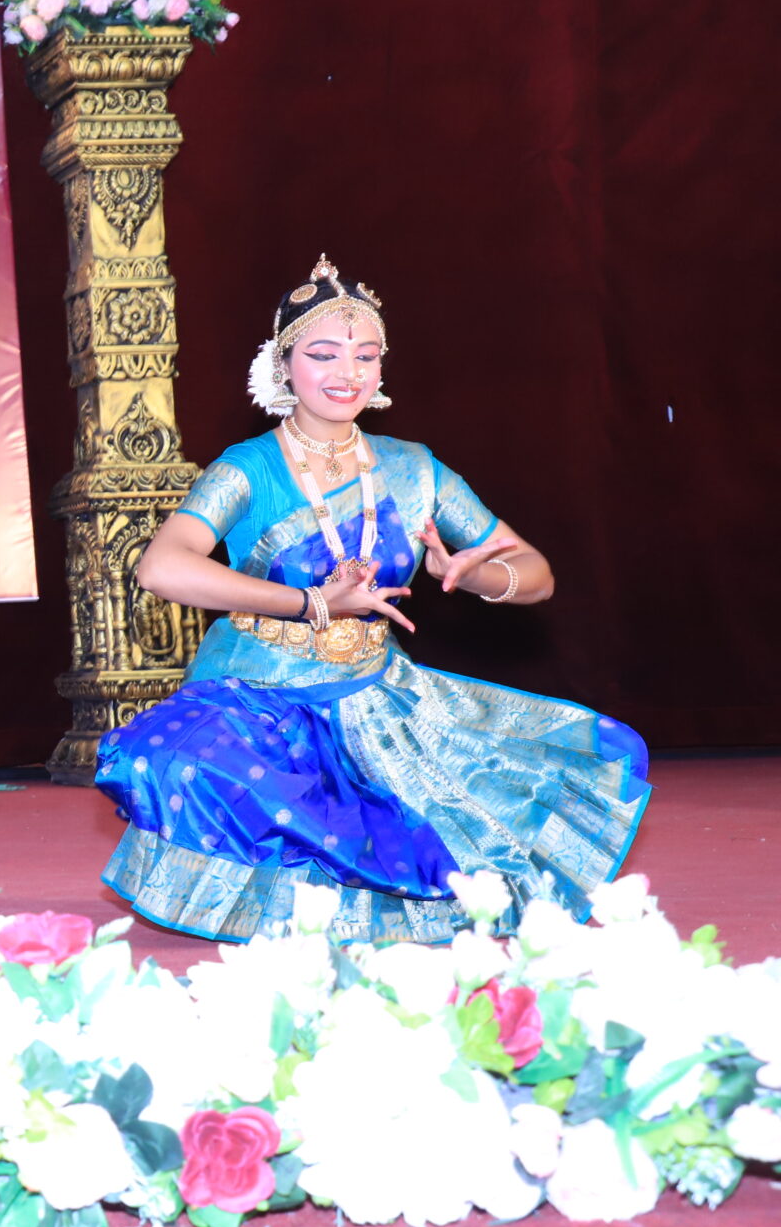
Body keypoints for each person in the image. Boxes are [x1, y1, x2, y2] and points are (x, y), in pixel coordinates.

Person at [95, 257, 648, 942]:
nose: (347, 372)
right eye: (323, 354)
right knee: (174, 761)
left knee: (522, 795)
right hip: (256, 688)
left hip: (374, 696)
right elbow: (162, 567)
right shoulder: (247, 467)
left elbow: (535, 572)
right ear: (283, 366)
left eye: (366, 355)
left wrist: (475, 575)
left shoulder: (414, 468)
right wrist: (312, 604)